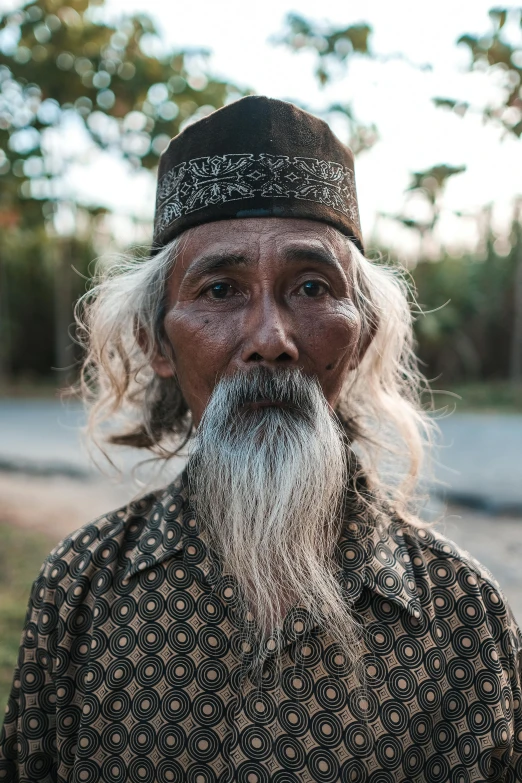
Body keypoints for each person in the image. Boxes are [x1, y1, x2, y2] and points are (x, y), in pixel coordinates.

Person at [1, 96, 521, 783]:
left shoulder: (465, 618)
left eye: (311, 285)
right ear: (156, 340)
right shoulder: (80, 592)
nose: (270, 340)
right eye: (220, 289)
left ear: (360, 333)